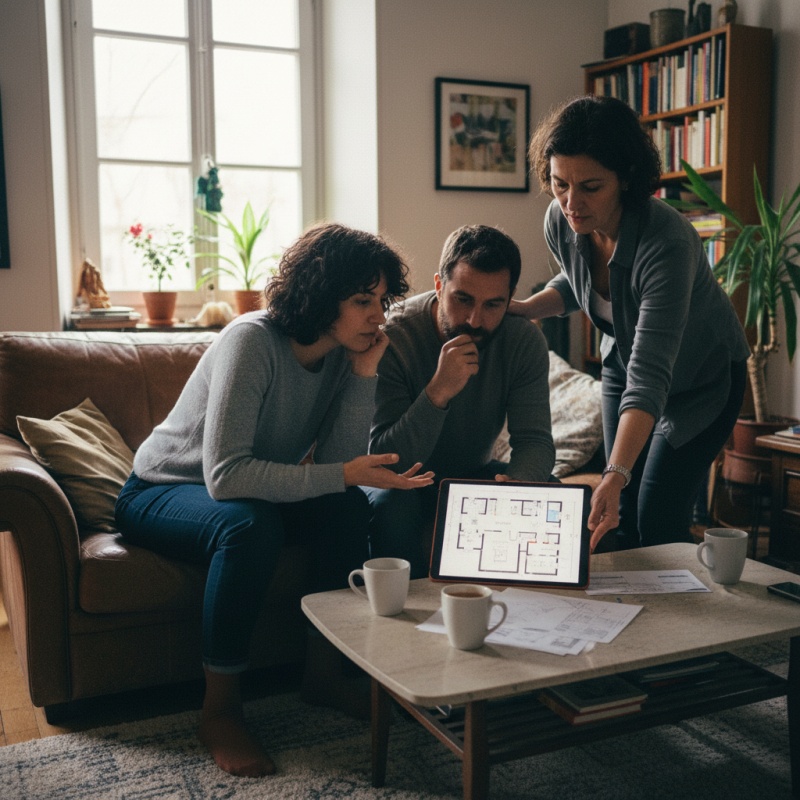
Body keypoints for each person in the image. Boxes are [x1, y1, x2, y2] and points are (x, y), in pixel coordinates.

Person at [115, 223, 434, 778]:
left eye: (382, 301)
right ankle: (220, 711)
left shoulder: (344, 354)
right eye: (362, 301)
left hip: (238, 492)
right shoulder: (250, 340)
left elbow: (337, 467)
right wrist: (340, 472)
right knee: (250, 525)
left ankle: (324, 678)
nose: (378, 316)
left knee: (346, 508)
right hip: (161, 489)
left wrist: (363, 375)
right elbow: (225, 477)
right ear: (318, 294)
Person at [509, 95, 749, 552]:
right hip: (625, 365)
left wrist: (614, 474)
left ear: (626, 179)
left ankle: (684, 619)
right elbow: (579, 284)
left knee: (655, 515)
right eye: (560, 184)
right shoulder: (560, 221)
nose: (571, 203)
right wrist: (524, 308)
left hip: (703, 379)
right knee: (615, 526)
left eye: (590, 187)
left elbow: (651, 375)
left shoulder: (669, 242)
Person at [367, 224, 555, 578]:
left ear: (510, 298)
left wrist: (515, 490)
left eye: (493, 304)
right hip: (402, 480)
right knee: (394, 504)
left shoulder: (522, 341)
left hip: (471, 476)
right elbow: (386, 459)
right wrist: (438, 391)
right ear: (439, 285)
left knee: (553, 492)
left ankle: (526, 618)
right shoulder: (391, 338)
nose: (474, 320)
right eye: (463, 299)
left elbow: (536, 442)